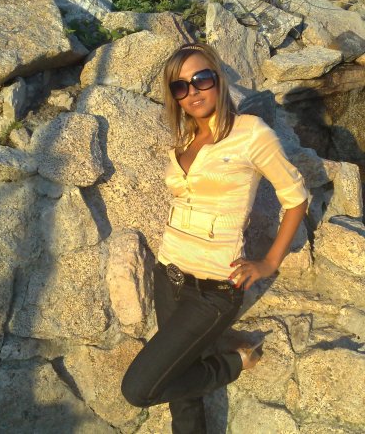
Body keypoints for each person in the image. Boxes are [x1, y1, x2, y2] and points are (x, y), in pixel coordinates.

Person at [121, 43, 309, 433]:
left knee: (139, 389)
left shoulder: (251, 133)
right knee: (181, 395)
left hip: (213, 290)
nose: (192, 91)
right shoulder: (186, 137)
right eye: (180, 86)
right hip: (168, 275)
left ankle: (235, 361)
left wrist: (269, 262)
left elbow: (296, 197)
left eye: (201, 79)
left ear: (218, 79)